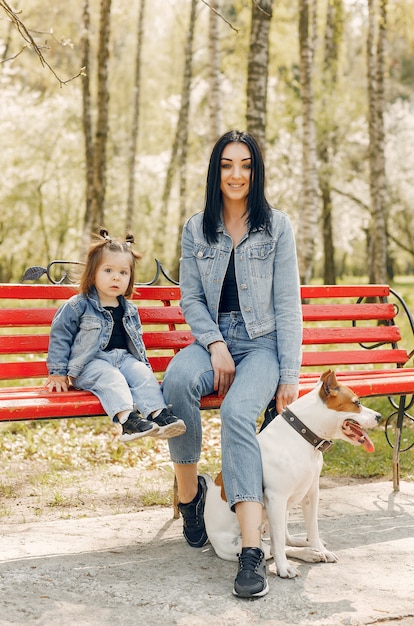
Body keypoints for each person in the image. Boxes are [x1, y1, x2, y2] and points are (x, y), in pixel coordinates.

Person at [162, 130, 302, 598]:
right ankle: (190, 499)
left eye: (245, 165)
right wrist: (215, 342)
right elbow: (191, 297)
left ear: (256, 171)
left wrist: (289, 374)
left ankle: (250, 552)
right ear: (215, 170)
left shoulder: (276, 226)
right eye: (226, 164)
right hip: (214, 340)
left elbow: (288, 304)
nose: (236, 174)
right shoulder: (196, 227)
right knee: (178, 380)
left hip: (263, 344)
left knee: (237, 412)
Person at [45, 229, 186, 442]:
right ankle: (127, 421)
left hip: (123, 359)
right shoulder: (79, 305)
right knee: (113, 378)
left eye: (123, 273)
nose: (115, 277)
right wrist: (57, 372)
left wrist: (143, 365)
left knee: (142, 374)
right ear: (93, 274)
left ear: (130, 278)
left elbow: (137, 344)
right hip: (89, 365)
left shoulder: (129, 309)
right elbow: (60, 336)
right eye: (108, 270)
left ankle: (159, 415)